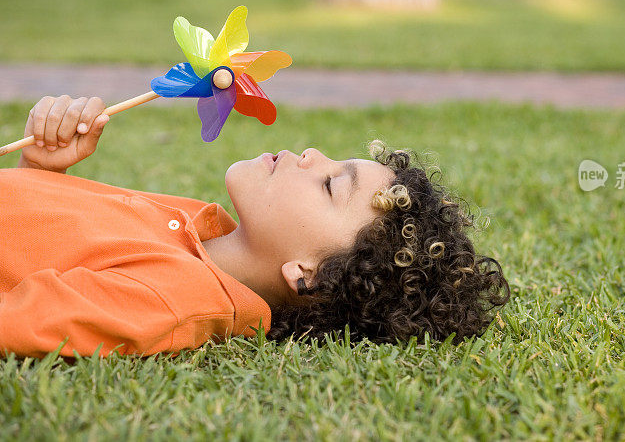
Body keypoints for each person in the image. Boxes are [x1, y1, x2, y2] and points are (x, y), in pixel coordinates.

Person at [0, 95, 510, 358]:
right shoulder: (205, 228)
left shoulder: (176, 300)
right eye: (335, 161)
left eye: (331, 185)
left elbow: (22, 317)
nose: (313, 154)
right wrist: (43, 174)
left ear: (308, 273)